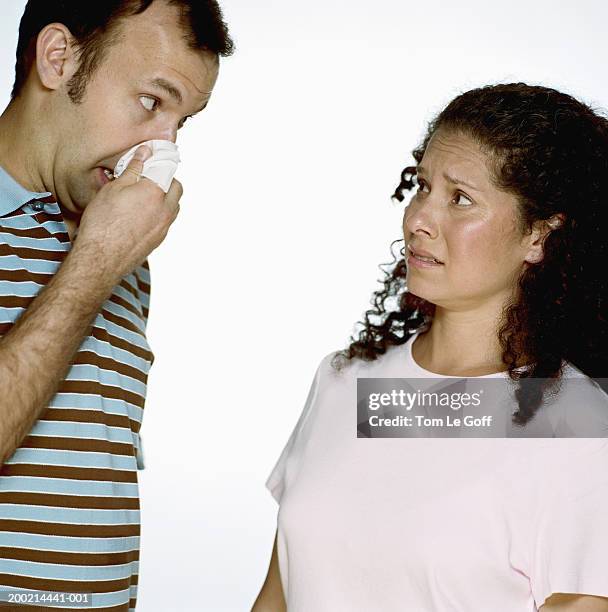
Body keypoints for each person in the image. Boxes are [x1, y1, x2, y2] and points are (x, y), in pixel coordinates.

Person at [252, 83, 608, 612]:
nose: (418, 219)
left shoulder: (577, 424)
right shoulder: (345, 382)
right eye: (422, 187)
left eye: (460, 199)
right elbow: (280, 591)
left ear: (539, 235)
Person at [0, 1, 232, 609]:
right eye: (152, 102)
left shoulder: (111, 235)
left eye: (183, 122)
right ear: (58, 58)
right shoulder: (104, 251)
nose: (163, 151)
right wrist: (95, 264)